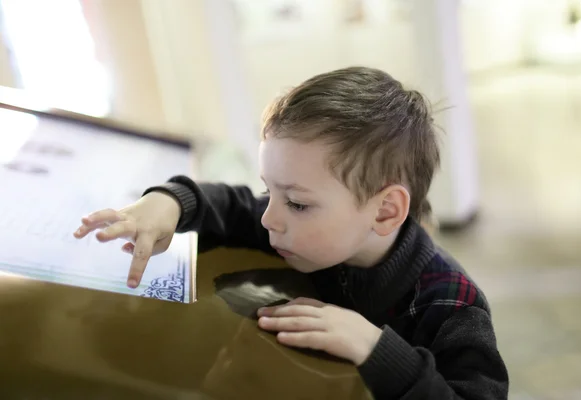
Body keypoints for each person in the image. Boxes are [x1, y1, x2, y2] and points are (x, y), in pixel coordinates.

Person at [73, 66, 508, 399]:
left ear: (385, 211)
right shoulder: (295, 230)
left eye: (297, 202)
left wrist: (377, 349)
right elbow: (233, 205)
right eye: (270, 191)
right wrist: (167, 202)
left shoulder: (451, 306)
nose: (268, 219)